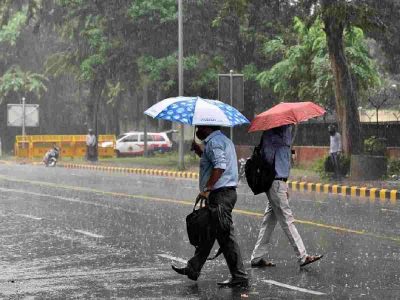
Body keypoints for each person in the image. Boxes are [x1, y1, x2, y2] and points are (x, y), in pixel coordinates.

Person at [171, 125, 248, 287]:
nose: (197, 129)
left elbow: (220, 166)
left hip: (221, 195)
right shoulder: (223, 140)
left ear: (208, 127)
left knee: (226, 236)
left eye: (199, 126)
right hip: (223, 194)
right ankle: (193, 268)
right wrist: (200, 152)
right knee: (209, 232)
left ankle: (240, 276)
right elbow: (215, 162)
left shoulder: (214, 143)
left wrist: (207, 189)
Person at [250, 125, 323, 268]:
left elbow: (283, 163)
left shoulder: (283, 137)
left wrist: (284, 183)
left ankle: (256, 257)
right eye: (288, 125)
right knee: (287, 220)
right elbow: (268, 160)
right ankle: (302, 256)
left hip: (279, 183)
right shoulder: (271, 137)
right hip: (275, 182)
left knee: (269, 221)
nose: (290, 128)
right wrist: (279, 183)